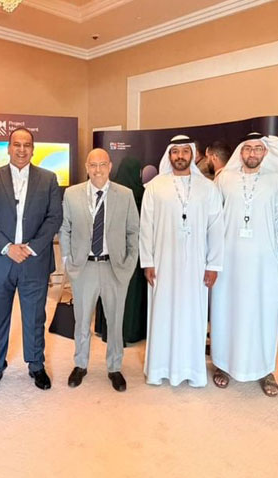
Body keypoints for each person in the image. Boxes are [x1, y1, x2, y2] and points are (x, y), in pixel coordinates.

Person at [0, 127, 62, 394]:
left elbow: (54, 218)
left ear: (33, 149)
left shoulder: (48, 178)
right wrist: (7, 248)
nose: (22, 149)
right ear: (9, 148)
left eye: (27, 145)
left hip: (33, 261)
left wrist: (31, 247)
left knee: (35, 317)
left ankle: (36, 365)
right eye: (17, 144)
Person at [140, 135, 224, 387]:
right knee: (163, 314)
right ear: (169, 155)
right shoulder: (155, 187)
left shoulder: (208, 188)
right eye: (175, 151)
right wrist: (147, 262)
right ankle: (159, 369)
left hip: (196, 265)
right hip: (162, 264)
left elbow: (216, 228)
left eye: (185, 151)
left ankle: (191, 370)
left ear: (192, 154)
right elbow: (146, 226)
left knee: (192, 315)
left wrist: (213, 264)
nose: (180, 156)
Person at [209, 133, 278, 395]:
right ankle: (222, 363)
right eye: (248, 148)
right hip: (229, 259)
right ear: (240, 152)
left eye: (258, 149)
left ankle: (264, 368)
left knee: (263, 312)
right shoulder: (224, 179)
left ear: (265, 153)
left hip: (263, 261)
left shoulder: (276, 181)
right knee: (226, 310)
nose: (252, 153)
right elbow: (215, 217)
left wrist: (258, 240)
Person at [60, 148, 139, 391]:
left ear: (110, 166)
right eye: (93, 165)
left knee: (115, 321)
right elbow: (65, 228)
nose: (97, 170)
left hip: (114, 267)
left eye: (102, 164)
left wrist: (129, 264)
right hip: (84, 267)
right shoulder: (72, 194)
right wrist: (68, 260)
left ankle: (114, 367)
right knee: (82, 320)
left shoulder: (125, 195)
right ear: (86, 167)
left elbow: (133, 232)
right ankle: (80, 364)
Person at [95, 156, 147, 344]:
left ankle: (106, 330)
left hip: (110, 251)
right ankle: (129, 332)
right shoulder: (142, 194)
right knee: (131, 292)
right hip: (134, 251)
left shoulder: (110, 191)